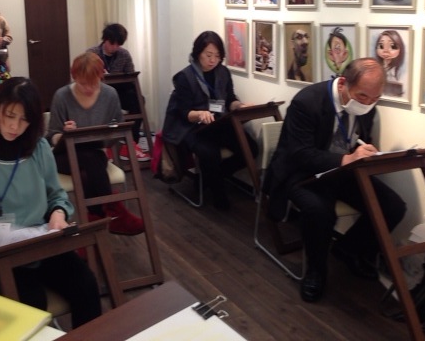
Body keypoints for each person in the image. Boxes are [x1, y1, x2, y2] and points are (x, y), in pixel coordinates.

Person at [0, 77, 102, 328]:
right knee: (30, 302)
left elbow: (57, 195)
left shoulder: (39, 149)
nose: (15, 126)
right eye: (9, 115)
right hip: (4, 255)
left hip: (41, 244)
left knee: (86, 285)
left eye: (24, 119)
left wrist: (58, 214)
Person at [264, 58, 406, 302]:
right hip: (300, 173)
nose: (368, 104)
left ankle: (349, 249)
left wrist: (368, 153)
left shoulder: (367, 106)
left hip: (342, 171)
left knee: (393, 206)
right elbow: (300, 154)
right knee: (320, 212)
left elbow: (359, 138)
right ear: (342, 84)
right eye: (362, 97)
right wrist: (347, 159)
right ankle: (315, 272)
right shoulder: (307, 102)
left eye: (375, 99)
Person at [47, 52, 144, 236]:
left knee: (88, 166)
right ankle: (113, 211)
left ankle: (95, 220)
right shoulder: (62, 96)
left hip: (95, 154)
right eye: (83, 83)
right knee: (91, 158)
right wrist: (65, 134)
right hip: (64, 156)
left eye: (94, 83)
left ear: (101, 76)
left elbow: (119, 127)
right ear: (74, 77)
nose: (89, 88)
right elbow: (51, 135)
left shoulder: (109, 95)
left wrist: (109, 132)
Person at [162, 31, 259, 210]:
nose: (213, 60)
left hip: (218, 123)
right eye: (208, 55)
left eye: (217, 55)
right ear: (198, 53)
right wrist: (200, 114)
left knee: (251, 149)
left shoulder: (223, 72)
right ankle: (218, 193)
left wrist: (241, 106)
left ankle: (209, 178)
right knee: (209, 153)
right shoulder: (185, 77)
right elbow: (184, 113)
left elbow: (229, 99)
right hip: (192, 128)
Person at [87, 23, 150, 162]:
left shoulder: (124, 54)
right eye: (112, 43)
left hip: (120, 91)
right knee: (101, 104)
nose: (115, 47)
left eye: (118, 44)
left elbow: (131, 78)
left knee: (139, 99)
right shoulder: (92, 54)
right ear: (105, 39)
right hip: (98, 92)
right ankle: (105, 145)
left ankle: (131, 143)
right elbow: (86, 78)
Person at [374, 29, 405, 96]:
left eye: (392, 46)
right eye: (381, 46)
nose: (386, 51)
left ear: (400, 49)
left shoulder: (399, 71)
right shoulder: (377, 67)